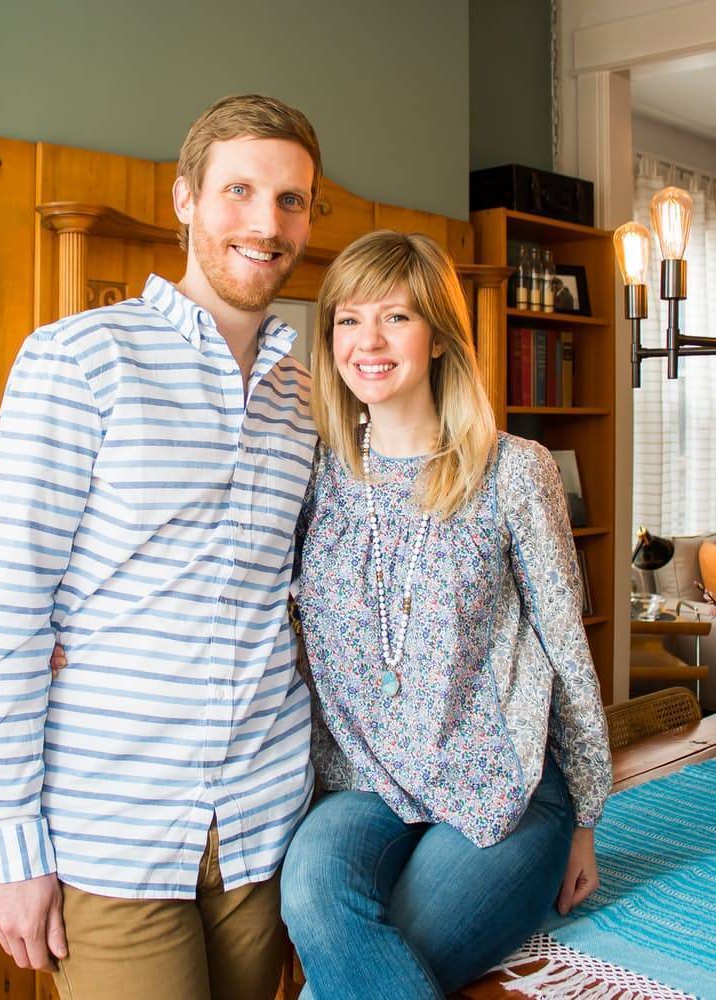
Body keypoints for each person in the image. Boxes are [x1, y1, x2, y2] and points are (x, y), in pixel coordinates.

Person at [0, 94, 323, 1000]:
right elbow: (7, 619)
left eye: (291, 200)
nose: (266, 223)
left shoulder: (305, 398)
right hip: (111, 834)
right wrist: (10, 850)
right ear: (185, 199)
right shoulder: (78, 360)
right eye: (239, 190)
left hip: (264, 826)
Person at [279, 230, 613, 999]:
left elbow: (566, 646)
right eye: (348, 320)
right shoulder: (316, 474)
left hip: (502, 785)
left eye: (395, 317)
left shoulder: (513, 470)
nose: (368, 342)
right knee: (312, 897)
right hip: (363, 784)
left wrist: (586, 821)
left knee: (358, 970)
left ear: (436, 338)